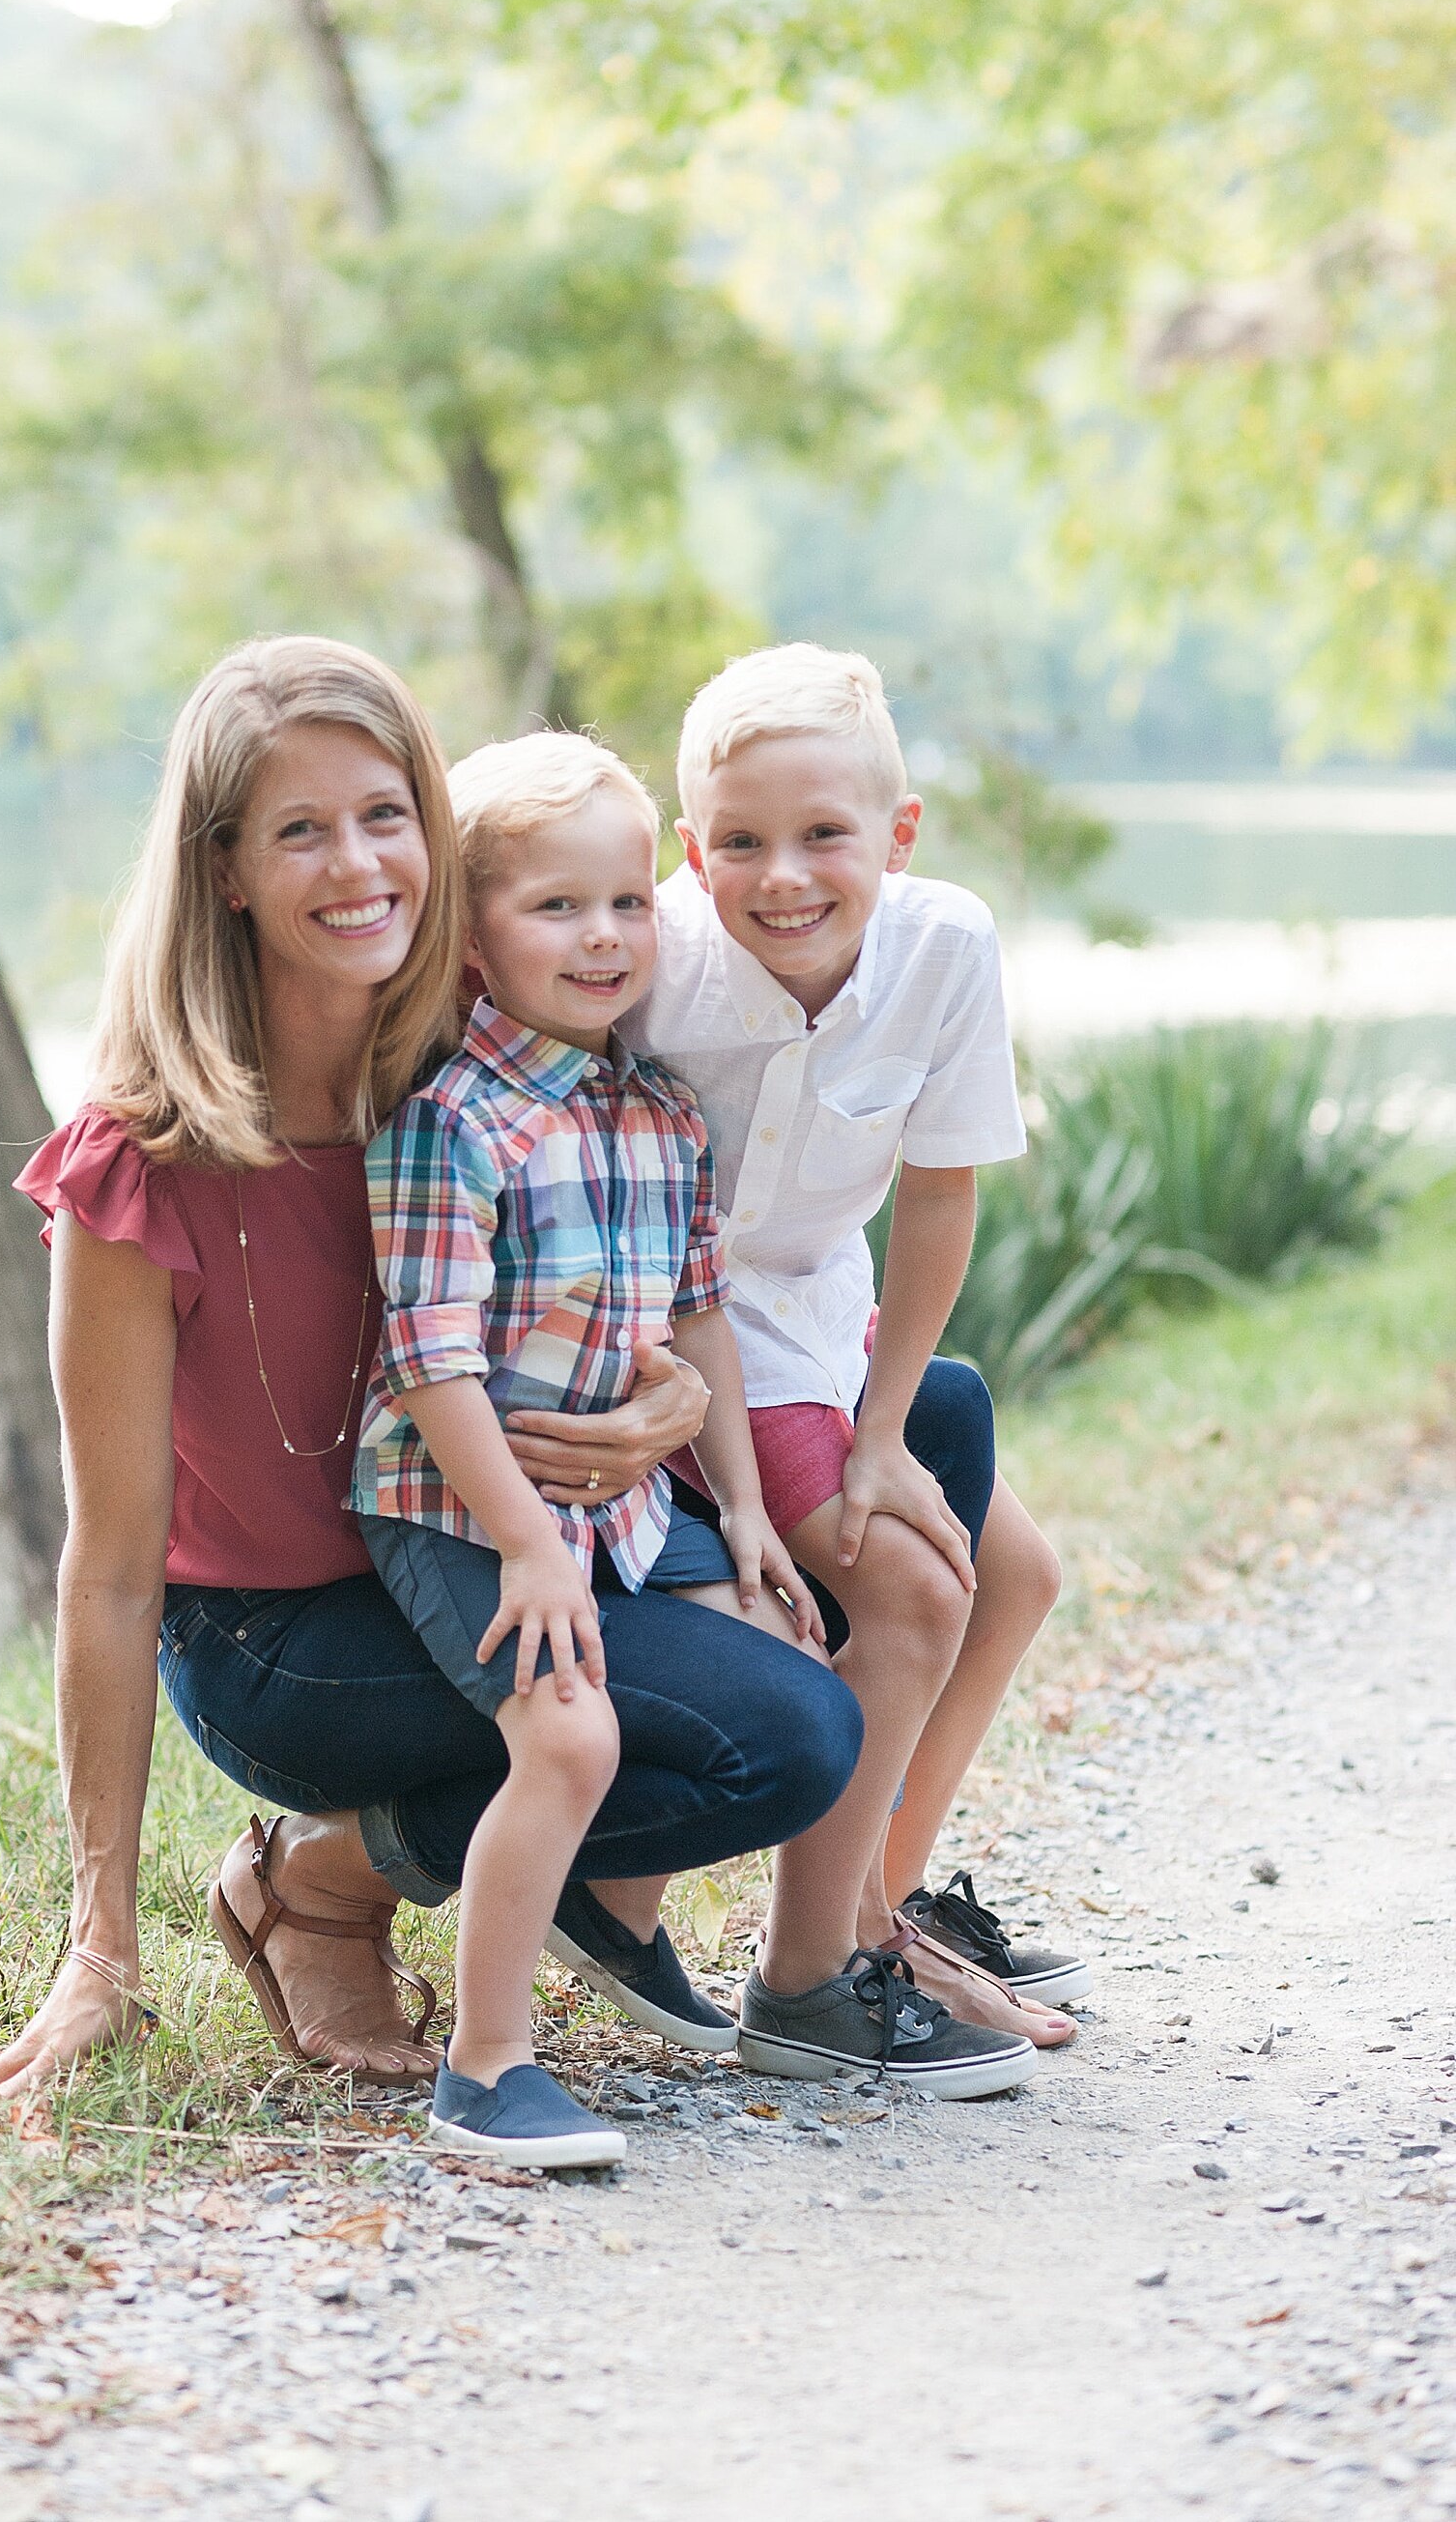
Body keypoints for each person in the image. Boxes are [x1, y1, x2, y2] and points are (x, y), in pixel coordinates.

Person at [0, 637, 865, 2106]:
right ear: (228, 869)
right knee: (781, 1733)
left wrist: (672, 1407)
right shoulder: (141, 1160)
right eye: (299, 828)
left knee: (912, 1421)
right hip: (286, 1639)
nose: (358, 862)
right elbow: (112, 1571)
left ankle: (863, 1933)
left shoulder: (477, 1058)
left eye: (385, 814)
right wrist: (95, 1947)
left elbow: (626, 1270)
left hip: (482, 1531)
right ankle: (317, 1873)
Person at [350, 735, 829, 2164]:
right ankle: (486, 2068)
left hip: (617, 1504)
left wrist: (742, 1508)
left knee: (787, 1654)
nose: (605, 936)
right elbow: (425, 1356)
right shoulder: (453, 1124)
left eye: (628, 902)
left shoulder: (661, 1111)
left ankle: (616, 1914)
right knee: (568, 1734)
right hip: (457, 1501)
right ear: (474, 933)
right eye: (556, 907)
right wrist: (523, 1540)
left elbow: (702, 1315)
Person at [624, 641, 1089, 2085]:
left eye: (826, 834)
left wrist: (884, 1428)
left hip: (826, 1316)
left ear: (896, 835)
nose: (784, 876)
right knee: (910, 1582)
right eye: (742, 842)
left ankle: (878, 1903)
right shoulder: (649, 961)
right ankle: (807, 1977)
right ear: (690, 849)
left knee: (1017, 1575)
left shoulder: (944, 947)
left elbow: (939, 1195)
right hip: (691, 1330)